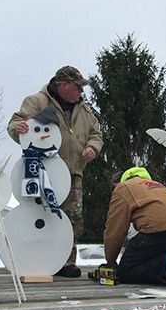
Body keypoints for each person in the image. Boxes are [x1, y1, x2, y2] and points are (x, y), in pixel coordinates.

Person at [7, 66, 103, 278]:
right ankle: (38, 260)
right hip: (42, 171)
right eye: (78, 87)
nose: (81, 91)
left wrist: (93, 147)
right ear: (63, 85)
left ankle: (66, 262)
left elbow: (96, 133)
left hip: (73, 173)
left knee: (72, 220)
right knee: (41, 215)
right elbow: (15, 123)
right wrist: (18, 129)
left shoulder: (85, 110)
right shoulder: (36, 102)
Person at [102, 167, 166, 288]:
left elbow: (115, 231)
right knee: (150, 258)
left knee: (126, 270)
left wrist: (110, 262)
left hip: (159, 230)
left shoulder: (123, 188)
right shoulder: (158, 186)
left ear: (118, 182)